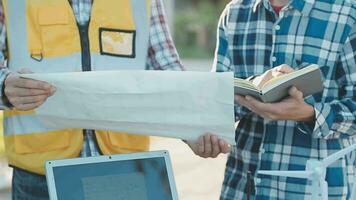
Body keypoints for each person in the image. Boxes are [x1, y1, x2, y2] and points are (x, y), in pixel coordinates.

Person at [0, 0, 183, 199]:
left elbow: (167, 67)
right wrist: (4, 86)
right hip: (40, 176)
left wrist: (199, 125)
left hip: (126, 167)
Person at [186, 0, 356, 199]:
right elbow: (216, 100)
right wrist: (207, 133)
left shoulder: (348, 13)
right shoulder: (234, 13)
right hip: (242, 187)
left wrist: (310, 114)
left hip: (313, 189)